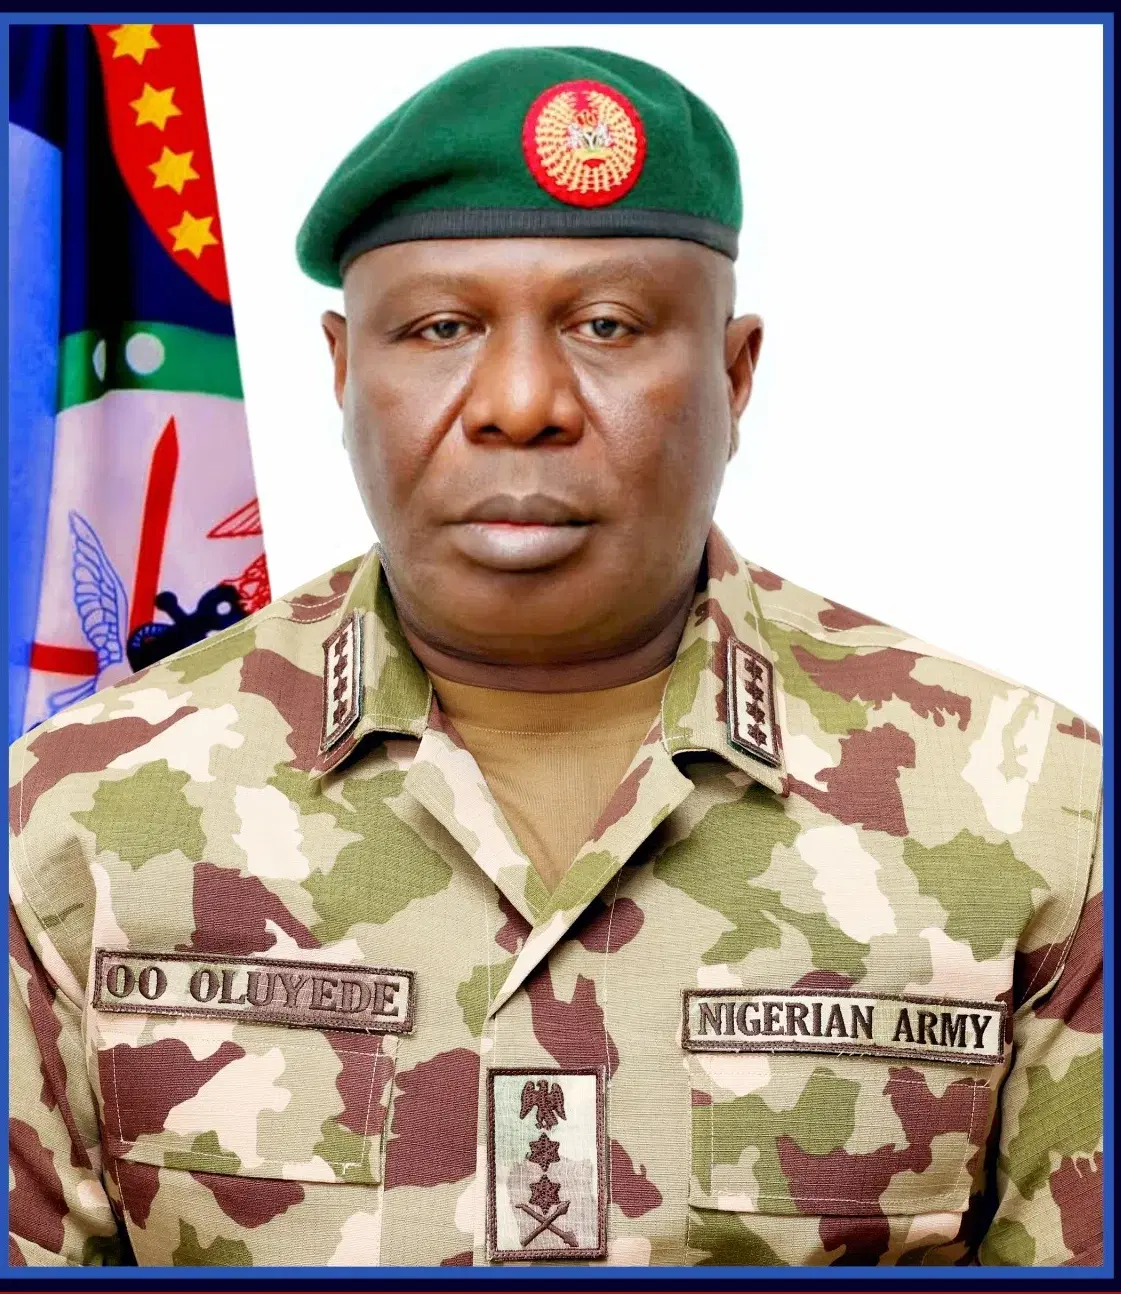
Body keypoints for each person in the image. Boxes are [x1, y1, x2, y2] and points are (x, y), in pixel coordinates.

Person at [8, 46, 1102, 1268]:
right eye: (441, 327)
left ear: (734, 374)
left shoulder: (1033, 809)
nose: (522, 402)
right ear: (343, 370)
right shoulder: (78, 809)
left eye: (604, 325)